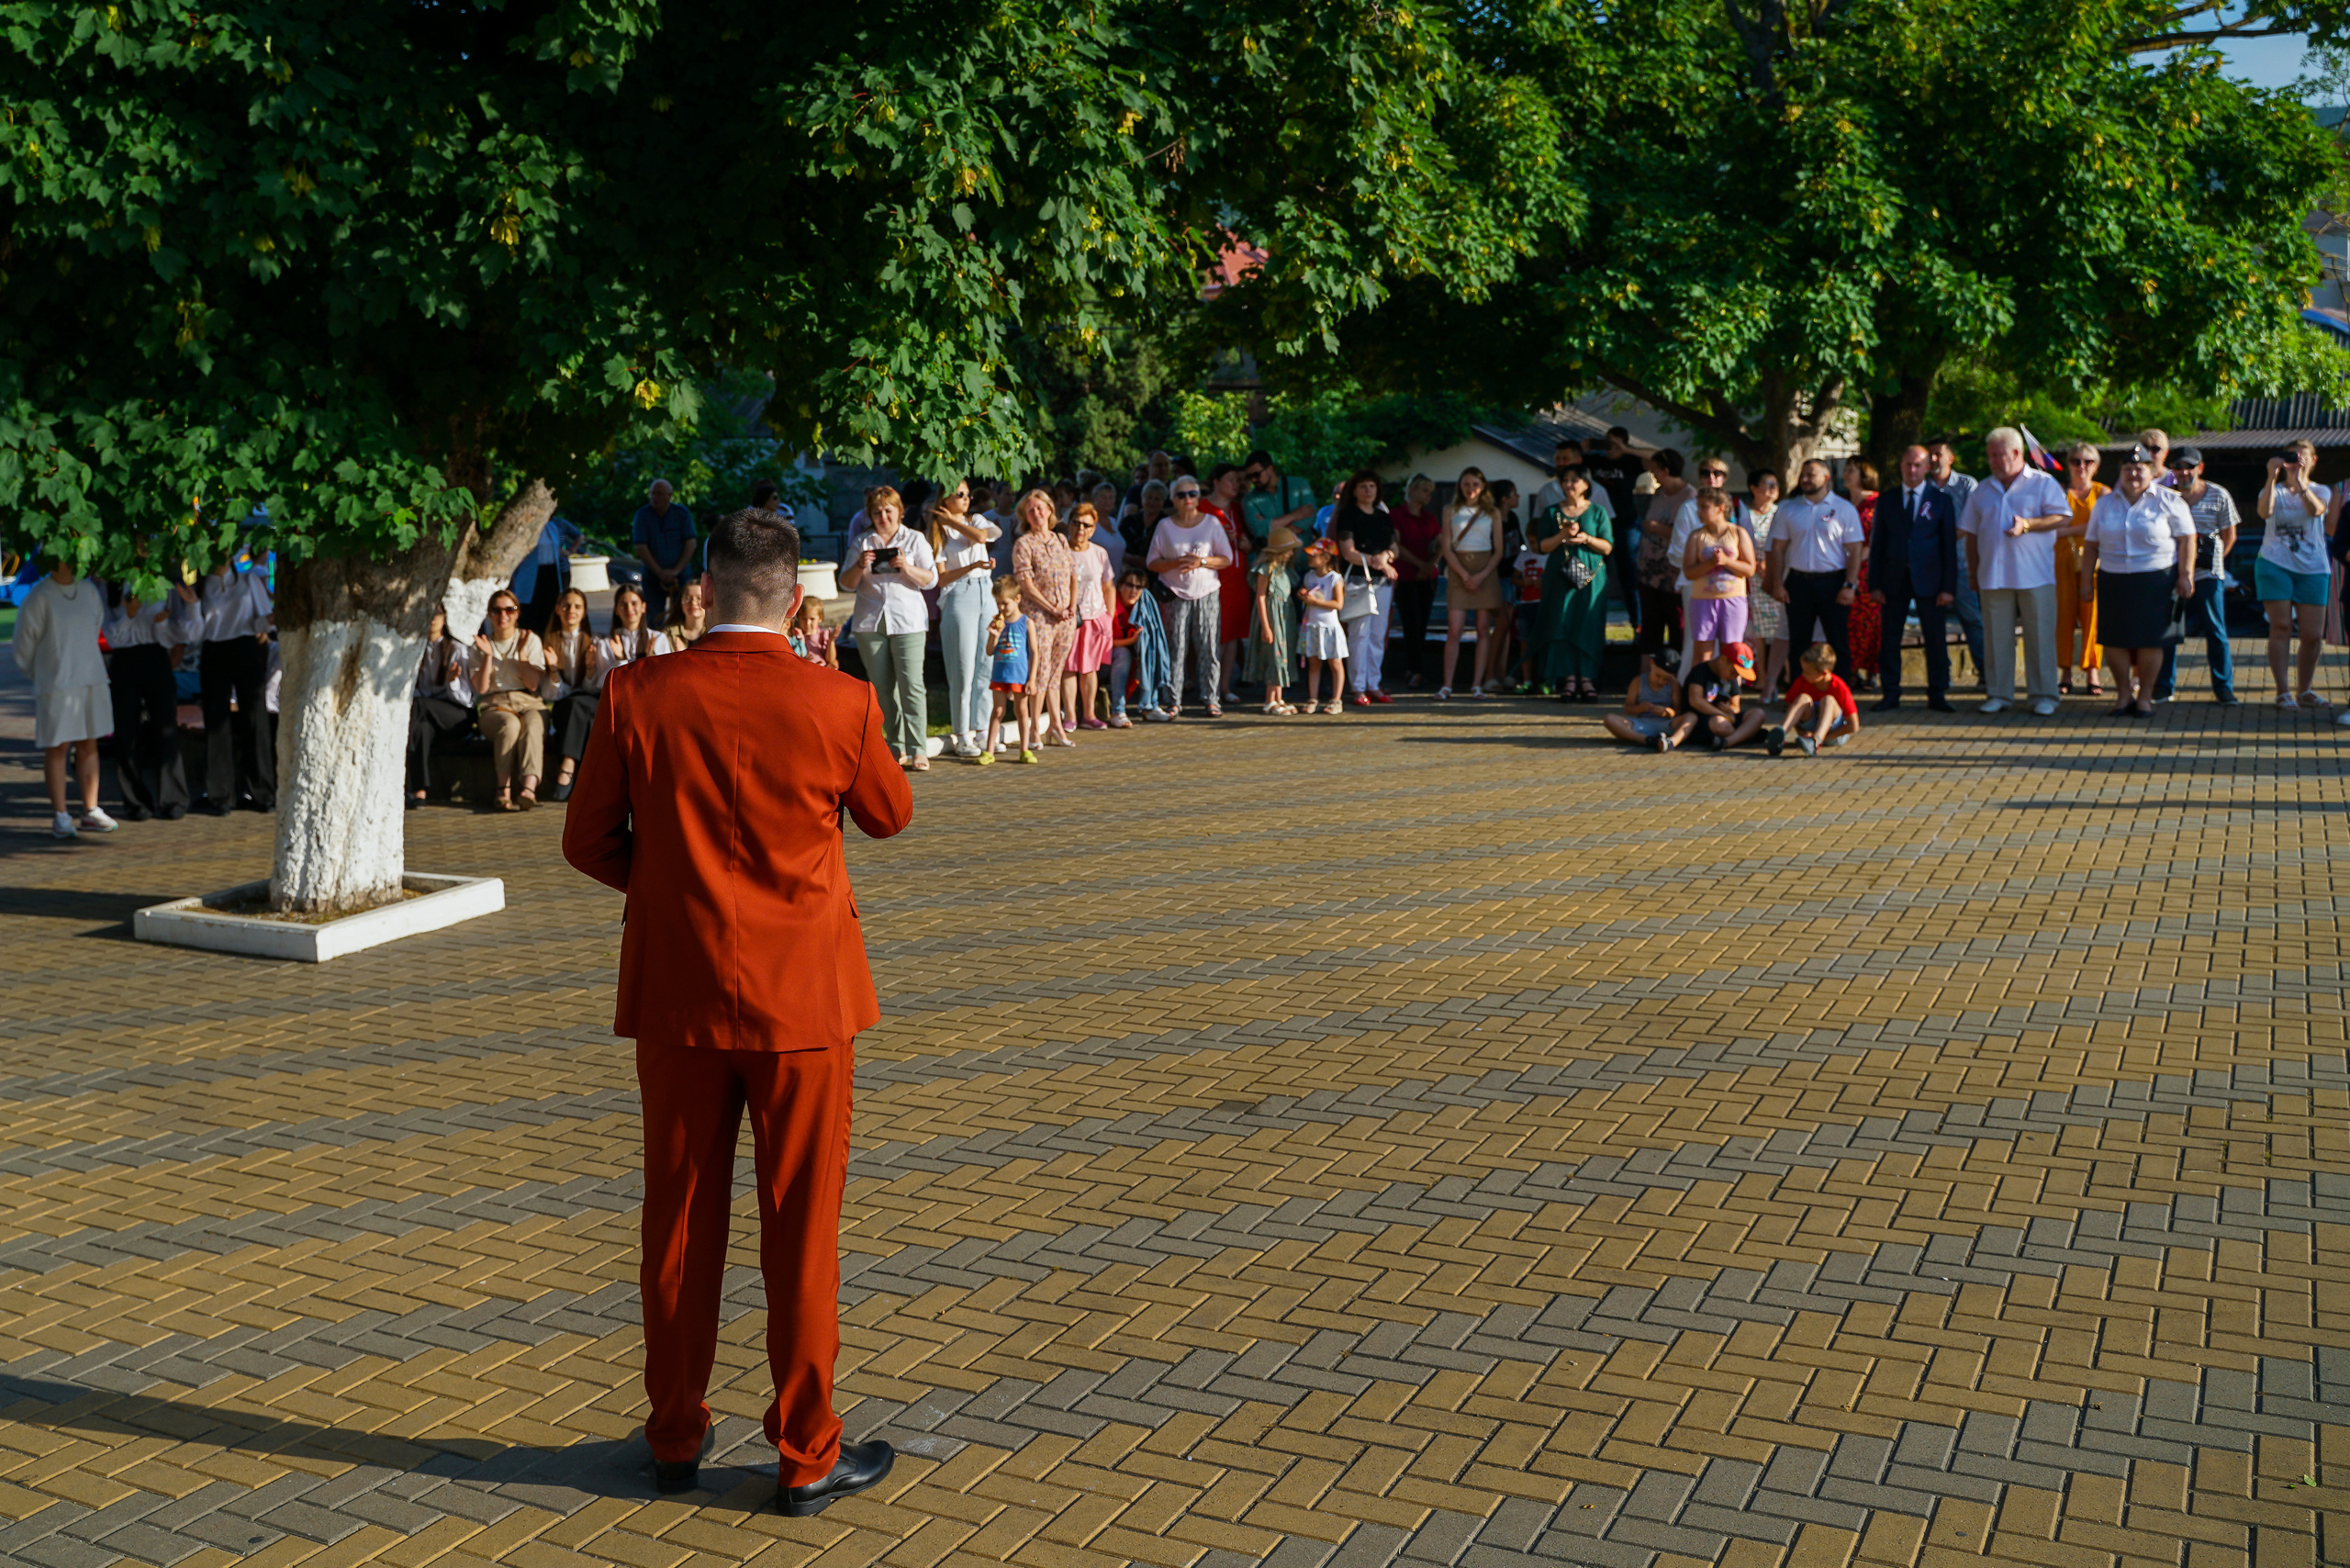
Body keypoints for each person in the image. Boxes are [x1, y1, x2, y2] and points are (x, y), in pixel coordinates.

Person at [561, 506, 912, 1519]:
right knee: (801, 1225)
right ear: (796, 599)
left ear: (703, 589)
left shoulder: (637, 690)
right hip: (802, 999)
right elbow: (891, 814)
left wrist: (674, 892)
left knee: (676, 1219)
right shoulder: (837, 699)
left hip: (678, 989)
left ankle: (675, 1430)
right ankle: (804, 1451)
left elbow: (586, 842)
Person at [1960, 427, 2074, 716]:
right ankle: (1999, 694)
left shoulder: (2043, 483)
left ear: (2016, 453)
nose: (1993, 462)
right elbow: (1971, 535)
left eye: (1998, 455)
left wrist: (2029, 524)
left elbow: (2062, 517)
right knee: (1996, 639)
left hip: (2035, 575)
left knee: (2040, 637)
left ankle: (2044, 695)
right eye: (1990, 457)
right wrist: (1973, 572)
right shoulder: (1982, 490)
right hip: (1993, 577)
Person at [2080, 443, 2196, 718]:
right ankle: (2122, 696)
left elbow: (2187, 538)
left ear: (2152, 471)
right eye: (2127, 468)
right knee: (2113, 639)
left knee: (2151, 641)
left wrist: (2185, 575)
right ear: (2120, 471)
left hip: (2157, 579)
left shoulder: (2168, 499)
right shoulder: (2105, 503)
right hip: (2113, 578)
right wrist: (2086, 582)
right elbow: (2091, 544)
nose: (2133, 474)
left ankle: (2144, 698)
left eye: (2139, 468)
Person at [12, 556, 119, 839]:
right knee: (57, 748)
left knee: (89, 744)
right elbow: (23, 647)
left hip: (91, 680)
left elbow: (96, 625)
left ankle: (91, 809)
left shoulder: (88, 591)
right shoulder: (39, 596)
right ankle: (61, 815)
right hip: (57, 686)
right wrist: (45, 674)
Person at [841, 485, 939, 768]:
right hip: (870, 622)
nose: (883, 516)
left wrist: (906, 567)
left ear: (900, 511)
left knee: (912, 686)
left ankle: (918, 748)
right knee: (883, 689)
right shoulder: (863, 541)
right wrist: (860, 566)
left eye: (888, 510)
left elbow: (931, 580)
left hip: (908, 620)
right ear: (870, 515)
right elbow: (845, 584)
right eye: (877, 512)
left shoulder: (915, 539)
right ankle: (895, 748)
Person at [1868, 446, 1961, 712]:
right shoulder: (1886, 500)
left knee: (1935, 638)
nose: (1912, 470)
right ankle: (1891, 692)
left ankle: (1938, 692)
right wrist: (1874, 584)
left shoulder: (1941, 500)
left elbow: (1948, 549)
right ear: (1900, 466)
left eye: (1918, 465)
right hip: (1893, 580)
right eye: (1908, 464)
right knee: (1890, 638)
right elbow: (1877, 546)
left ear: (1927, 468)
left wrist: (1948, 587)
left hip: (1930, 580)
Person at [103, 580, 197, 821]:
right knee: (126, 732)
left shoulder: (161, 582)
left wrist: (167, 625)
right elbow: (113, 637)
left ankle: (173, 799)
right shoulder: (109, 584)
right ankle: (136, 802)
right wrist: (129, 615)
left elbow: (176, 631)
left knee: (165, 729)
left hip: (156, 656)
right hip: (125, 659)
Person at [2153, 446, 2240, 705]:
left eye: (2189, 466)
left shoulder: (2218, 494)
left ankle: (2224, 688)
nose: (2184, 472)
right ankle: (2163, 686)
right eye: (2178, 467)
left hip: (2208, 574)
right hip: (2171, 571)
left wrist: (2213, 560)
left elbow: (2230, 535)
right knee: (2167, 631)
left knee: (2215, 630)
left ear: (2200, 468)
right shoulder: (2165, 495)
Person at [1767, 459, 1865, 683]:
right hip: (1798, 582)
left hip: (1833, 583)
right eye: (1803, 475)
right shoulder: (1788, 509)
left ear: (1826, 478)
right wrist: (1777, 584)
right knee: (1798, 643)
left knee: (1837, 642)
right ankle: (1800, 697)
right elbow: (1778, 548)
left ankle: (1839, 699)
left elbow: (1855, 550)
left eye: (1811, 474)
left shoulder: (1843, 508)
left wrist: (1850, 584)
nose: (1805, 479)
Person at [195, 551, 275, 814]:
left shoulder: (247, 581)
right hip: (214, 649)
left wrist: (272, 618)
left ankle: (262, 792)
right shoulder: (201, 585)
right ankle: (220, 795)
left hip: (244, 646)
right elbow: (196, 627)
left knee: (255, 718)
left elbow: (261, 619)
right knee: (217, 721)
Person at [2255, 439, 2332, 711]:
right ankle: (2283, 690)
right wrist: (2271, 476)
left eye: (2302, 457)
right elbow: (2264, 511)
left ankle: (2305, 690)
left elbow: (2316, 510)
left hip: (2313, 568)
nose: (2296, 461)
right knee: (2282, 627)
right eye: (2291, 456)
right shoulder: (2273, 489)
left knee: (2312, 635)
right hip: (2275, 564)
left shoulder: (2321, 490)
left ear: (2313, 460)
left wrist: (2300, 482)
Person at [927, 478, 1000, 760]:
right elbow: (942, 577)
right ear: (944, 498)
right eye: (958, 494)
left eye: (967, 494)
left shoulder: (976, 519)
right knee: (963, 668)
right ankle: (962, 734)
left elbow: (984, 537)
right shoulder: (937, 531)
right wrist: (971, 565)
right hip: (960, 594)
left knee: (985, 663)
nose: (965, 498)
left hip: (986, 591)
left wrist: (955, 521)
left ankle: (982, 730)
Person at [1147, 476, 1231, 716]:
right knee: (1176, 647)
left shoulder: (1212, 524)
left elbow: (1226, 559)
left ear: (1198, 497)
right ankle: (1173, 700)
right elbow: (1152, 562)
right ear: (1173, 499)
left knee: (1208, 646)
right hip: (1174, 593)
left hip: (1206, 592)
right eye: (1181, 495)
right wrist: (1175, 562)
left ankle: (1211, 698)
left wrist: (1201, 562)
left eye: (1192, 494)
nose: (1187, 499)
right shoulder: (1165, 526)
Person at [1532, 473, 1613, 700]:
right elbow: (1543, 546)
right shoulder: (1551, 512)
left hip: (1591, 577)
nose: (1568, 485)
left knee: (1588, 623)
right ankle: (1567, 679)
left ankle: (1587, 679)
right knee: (1562, 622)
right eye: (1564, 480)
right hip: (1560, 575)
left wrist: (1586, 538)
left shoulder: (1598, 511)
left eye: (1574, 480)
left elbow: (1607, 547)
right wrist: (1562, 536)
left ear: (1586, 485)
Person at [1010, 487, 1080, 746]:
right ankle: (1033, 731)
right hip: (1040, 616)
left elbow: (1073, 575)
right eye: (1031, 510)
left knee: (1056, 672)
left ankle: (1056, 726)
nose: (1037, 513)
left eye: (1041, 508)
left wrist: (1071, 606)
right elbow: (1026, 584)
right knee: (1039, 672)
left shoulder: (1060, 540)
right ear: (1025, 516)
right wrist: (1052, 608)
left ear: (1050, 510)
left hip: (1065, 617)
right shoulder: (1024, 544)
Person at [468, 588, 548, 811]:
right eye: (496, 611)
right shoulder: (481, 644)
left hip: (528, 699)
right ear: (489, 614)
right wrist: (487, 657)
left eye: (509, 610)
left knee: (533, 724)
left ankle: (528, 788)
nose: (503, 616)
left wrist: (522, 656)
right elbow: (482, 687)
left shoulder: (529, 639)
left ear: (517, 613)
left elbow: (533, 684)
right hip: (495, 704)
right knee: (510, 725)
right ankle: (503, 789)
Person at [1436, 467, 1506, 699]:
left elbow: (1499, 550)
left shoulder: (1492, 512)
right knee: (1454, 629)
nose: (1471, 489)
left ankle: (1477, 684)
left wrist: (1480, 575)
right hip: (1459, 567)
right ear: (1460, 486)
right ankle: (1447, 684)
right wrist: (1465, 575)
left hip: (1485, 568)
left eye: (1475, 484)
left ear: (1483, 486)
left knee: (1483, 628)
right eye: (1466, 484)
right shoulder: (1450, 510)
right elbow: (1446, 547)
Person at [1328, 470, 1398, 705]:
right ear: (1355, 491)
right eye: (1363, 486)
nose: (1368, 491)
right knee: (1359, 634)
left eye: (1372, 486)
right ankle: (1357, 687)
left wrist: (1386, 556)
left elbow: (1394, 547)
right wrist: (1375, 561)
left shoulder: (1383, 516)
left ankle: (1373, 684)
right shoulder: (1348, 515)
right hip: (1358, 581)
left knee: (1378, 635)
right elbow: (1349, 551)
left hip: (1382, 582)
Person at [1927, 436, 1986, 683]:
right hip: (1930, 567)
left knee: (1972, 620)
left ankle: (1987, 673)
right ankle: (1942, 677)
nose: (1933, 459)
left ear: (1950, 458)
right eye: (1929, 454)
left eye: (1938, 454)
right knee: (1934, 624)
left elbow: (1973, 521)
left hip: (1961, 564)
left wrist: (1941, 539)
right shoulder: (1922, 486)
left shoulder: (1966, 484)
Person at [536, 588, 605, 802]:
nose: (571, 611)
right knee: (573, 706)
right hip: (565, 709)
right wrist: (554, 670)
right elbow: (550, 695)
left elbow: (595, 688)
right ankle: (588, 778)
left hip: (590, 703)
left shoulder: (594, 642)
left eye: (577, 606)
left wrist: (591, 669)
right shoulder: (547, 642)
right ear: (557, 609)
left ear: (584, 612)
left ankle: (568, 764)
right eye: (566, 606)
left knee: (580, 704)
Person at [407, 608, 474, 808]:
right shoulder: (413, 649)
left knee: (418, 709)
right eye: (428, 612)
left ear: (445, 618)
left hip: (457, 714)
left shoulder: (456, 649)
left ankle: (402, 775)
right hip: (425, 714)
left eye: (437, 614)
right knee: (420, 730)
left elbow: (466, 698)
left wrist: (450, 682)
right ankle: (420, 791)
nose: (432, 619)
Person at [2056, 442, 2109, 699]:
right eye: (2076, 461)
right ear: (2068, 464)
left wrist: (2068, 529)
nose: (2081, 466)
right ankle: (2065, 672)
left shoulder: (2103, 493)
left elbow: (2106, 529)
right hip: (2061, 561)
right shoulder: (2057, 492)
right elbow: (2045, 527)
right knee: (2063, 617)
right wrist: (2082, 528)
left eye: (2088, 462)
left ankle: (2092, 671)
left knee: (2093, 618)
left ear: (2096, 467)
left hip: (2094, 563)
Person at [1682, 487, 1756, 666]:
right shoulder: (1696, 536)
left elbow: (1749, 569)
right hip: (1703, 601)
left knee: (1732, 652)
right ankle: (1700, 692)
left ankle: (1731, 694)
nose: (1699, 512)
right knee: (1702, 654)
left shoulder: (1738, 533)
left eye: (1704, 507)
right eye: (1698, 507)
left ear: (1721, 508)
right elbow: (1688, 572)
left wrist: (1726, 561)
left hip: (1733, 601)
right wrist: (1710, 564)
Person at [1585, 428, 1647, 634]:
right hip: (1595, 526)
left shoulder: (1631, 463)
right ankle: (1589, 624)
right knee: (1587, 572)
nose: (1610, 448)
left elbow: (1659, 456)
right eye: (1607, 443)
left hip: (1625, 524)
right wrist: (1587, 447)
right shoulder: (1595, 461)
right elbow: (1569, 461)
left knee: (1629, 575)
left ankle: (1637, 625)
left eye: (1615, 444)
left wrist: (1627, 450)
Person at [1634, 450, 1693, 660]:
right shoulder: (1658, 494)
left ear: (1665, 471)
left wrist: (1657, 528)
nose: (1653, 475)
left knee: (1679, 627)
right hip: (1649, 574)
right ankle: (1647, 681)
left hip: (1673, 576)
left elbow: (1689, 536)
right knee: (1651, 628)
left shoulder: (1690, 498)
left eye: (1655, 470)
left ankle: (1678, 678)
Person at [1062, 504, 1115, 730]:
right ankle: (1070, 716)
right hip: (1068, 618)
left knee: (1090, 668)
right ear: (1069, 523)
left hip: (1095, 617)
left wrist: (1109, 618)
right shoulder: (1060, 549)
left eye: (1086, 525)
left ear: (1093, 529)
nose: (1080, 529)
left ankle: (1090, 715)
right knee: (1068, 667)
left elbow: (1108, 587)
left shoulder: (1099, 553)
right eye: (1076, 522)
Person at [1738, 470, 1789, 702]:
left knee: (1782, 623)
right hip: (1752, 575)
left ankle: (1786, 675)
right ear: (1753, 487)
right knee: (1758, 625)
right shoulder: (1744, 514)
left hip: (1777, 573)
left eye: (1775, 484)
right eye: (1766, 483)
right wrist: (1754, 563)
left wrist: (1769, 563)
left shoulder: (1781, 512)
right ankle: (1762, 676)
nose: (1772, 488)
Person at [1388, 475, 1442, 689]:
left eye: (1430, 491)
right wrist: (1421, 564)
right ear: (1412, 491)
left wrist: (1431, 564)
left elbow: (1442, 542)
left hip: (1427, 578)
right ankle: (1414, 669)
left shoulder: (1430, 518)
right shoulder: (1397, 516)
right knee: (1411, 623)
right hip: (1406, 577)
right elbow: (1397, 546)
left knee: (1422, 624)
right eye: (1425, 490)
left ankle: (1416, 668)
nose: (1428, 495)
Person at [1770, 644, 1861, 756]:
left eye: (1808, 672)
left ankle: (1815, 742)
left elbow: (1853, 725)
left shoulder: (1839, 687)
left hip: (1834, 735)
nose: (1803, 674)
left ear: (1824, 673)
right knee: (1803, 698)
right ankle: (1781, 733)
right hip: (1809, 731)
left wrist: (1821, 738)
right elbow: (1792, 711)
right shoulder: (1802, 681)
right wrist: (1802, 732)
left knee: (1828, 700)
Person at [1248, 526, 1302, 714]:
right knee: (1274, 657)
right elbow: (1260, 597)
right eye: (1287, 549)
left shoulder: (1285, 570)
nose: (1290, 553)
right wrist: (1265, 626)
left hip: (1285, 618)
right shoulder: (1266, 569)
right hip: (1272, 618)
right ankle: (1269, 700)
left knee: (1284, 656)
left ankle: (1279, 698)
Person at [1840, 460, 1884, 689]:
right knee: (1848, 623)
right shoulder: (1843, 504)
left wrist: (1857, 557)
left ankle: (1872, 672)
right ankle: (1851, 670)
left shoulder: (1877, 503)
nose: (1845, 474)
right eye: (1845, 470)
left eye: (1850, 470)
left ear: (1864, 474)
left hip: (1869, 571)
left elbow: (1880, 540)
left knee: (1870, 624)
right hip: (1845, 570)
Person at [984, 578, 1037, 763]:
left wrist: (1032, 678)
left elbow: (1034, 652)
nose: (1001, 608)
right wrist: (993, 637)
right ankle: (989, 751)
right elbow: (989, 651)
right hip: (1000, 674)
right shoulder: (998, 623)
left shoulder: (1026, 623)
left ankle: (1025, 749)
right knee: (998, 711)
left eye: (1004, 603)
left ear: (1017, 599)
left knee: (1021, 711)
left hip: (1019, 676)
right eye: (998, 603)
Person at [631, 479, 697, 628]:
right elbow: (641, 547)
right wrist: (660, 572)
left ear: (669, 495)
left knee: (684, 612)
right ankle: (656, 647)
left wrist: (675, 571)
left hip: (680, 574)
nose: (655, 497)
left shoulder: (681, 513)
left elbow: (690, 544)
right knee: (653, 614)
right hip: (652, 575)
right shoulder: (642, 515)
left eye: (659, 493)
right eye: (652, 493)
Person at [1679, 641, 1766, 753]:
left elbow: (1735, 706)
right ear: (1723, 660)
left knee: (1758, 714)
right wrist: (1721, 713)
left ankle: (1728, 741)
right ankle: (1746, 735)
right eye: (1733, 672)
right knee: (1720, 724)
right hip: (1701, 721)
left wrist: (1730, 712)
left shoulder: (1731, 678)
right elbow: (1696, 701)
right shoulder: (1700, 671)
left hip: (1727, 718)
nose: (1735, 676)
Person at [1108, 567, 1170, 725]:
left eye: (1139, 587)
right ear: (1120, 585)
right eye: (1129, 585)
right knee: (1123, 653)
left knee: (1150, 647)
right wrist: (1131, 641)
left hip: (1133, 655)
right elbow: (1102, 643)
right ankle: (1118, 711)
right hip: (1105, 657)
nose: (1133, 591)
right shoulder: (1110, 603)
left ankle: (1150, 706)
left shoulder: (1144, 607)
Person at [1296, 537, 1348, 715]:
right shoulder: (1309, 576)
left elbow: (1338, 604)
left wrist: (1315, 602)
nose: (1310, 558)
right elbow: (1305, 595)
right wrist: (1303, 595)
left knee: (1335, 663)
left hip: (1330, 627)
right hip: (1312, 626)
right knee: (1314, 663)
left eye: (1314, 555)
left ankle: (1336, 699)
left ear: (1326, 558)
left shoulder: (1335, 578)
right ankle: (1313, 698)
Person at [514, 513, 584, 635]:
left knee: (551, 605)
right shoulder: (529, 524)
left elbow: (579, 535)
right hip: (533, 572)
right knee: (531, 606)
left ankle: (549, 635)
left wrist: (569, 551)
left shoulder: (556, 524)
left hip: (554, 571)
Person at [1601, 650, 1681, 748]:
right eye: (1658, 675)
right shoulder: (1638, 681)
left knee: (1691, 717)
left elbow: (1678, 711)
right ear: (1651, 663)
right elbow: (1628, 709)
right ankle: (1647, 740)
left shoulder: (1673, 684)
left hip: (1667, 724)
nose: (1661, 681)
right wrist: (1640, 708)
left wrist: (1667, 712)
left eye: (1666, 679)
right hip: (1643, 723)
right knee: (1609, 719)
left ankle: (1672, 741)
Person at [1240, 449, 1318, 544]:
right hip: (1271, 558)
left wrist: (1270, 527)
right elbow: (1258, 529)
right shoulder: (1249, 499)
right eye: (1249, 477)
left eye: (1256, 475)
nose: (1253, 480)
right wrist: (1294, 515)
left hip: (1303, 555)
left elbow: (1309, 517)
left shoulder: (1299, 484)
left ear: (1270, 469)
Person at [602, 583, 672, 669]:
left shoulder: (658, 638)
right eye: (624, 604)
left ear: (643, 607)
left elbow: (664, 675)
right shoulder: (607, 644)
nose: (629, 609)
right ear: (616, 609)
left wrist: (651, 657)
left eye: (634, 603)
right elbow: (603, 680)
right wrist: (620, 660)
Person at [664, 578, 711, 650]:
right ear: (681, 603)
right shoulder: (668, 635)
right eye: (688, 598)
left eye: (699, 598)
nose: (693, 603)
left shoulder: (713, 634)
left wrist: (683, 653)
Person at [791, 599, 839, 669]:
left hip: (821, 668)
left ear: (820, 619)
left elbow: (830, 659)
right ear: (798, 618)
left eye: (812, 619)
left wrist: (831, 641)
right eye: (804, 619)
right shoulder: (796, 636)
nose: (808, 623)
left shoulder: (822, 635)